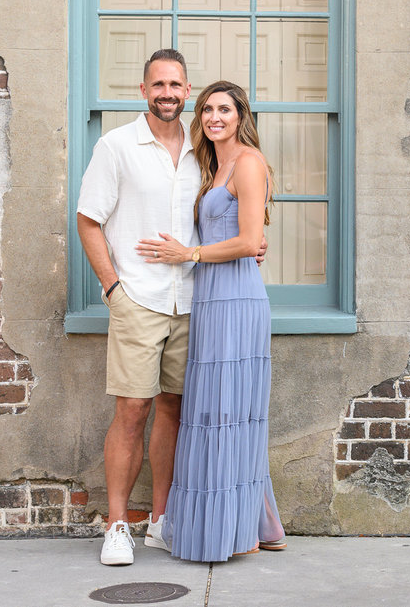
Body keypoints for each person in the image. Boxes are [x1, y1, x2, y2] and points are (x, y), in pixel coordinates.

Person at [139, 79, 286, 561]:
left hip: (237, 301)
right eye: (206, 110)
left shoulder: (248, 162)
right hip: (209, 299)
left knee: (229, 414)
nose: (213, 117)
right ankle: (260, 522)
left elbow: (248, 241)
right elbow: (241, 236)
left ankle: (236, 531)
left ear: (241, 115)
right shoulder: (211, 163)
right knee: (215, 412)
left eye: (224, 109)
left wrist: (190, 253)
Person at [76, 49, 198, 566]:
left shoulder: (204, 148)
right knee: (132, 410)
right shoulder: (117, 146)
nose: (167, 93)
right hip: (139, 300)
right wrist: (113, 291)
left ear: (187, 90)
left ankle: (161, 521)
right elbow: (88, 220)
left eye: (175, 84)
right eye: (158, 85)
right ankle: (118, 524)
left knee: (173, 410)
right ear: (142, 90)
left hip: (192, 302)